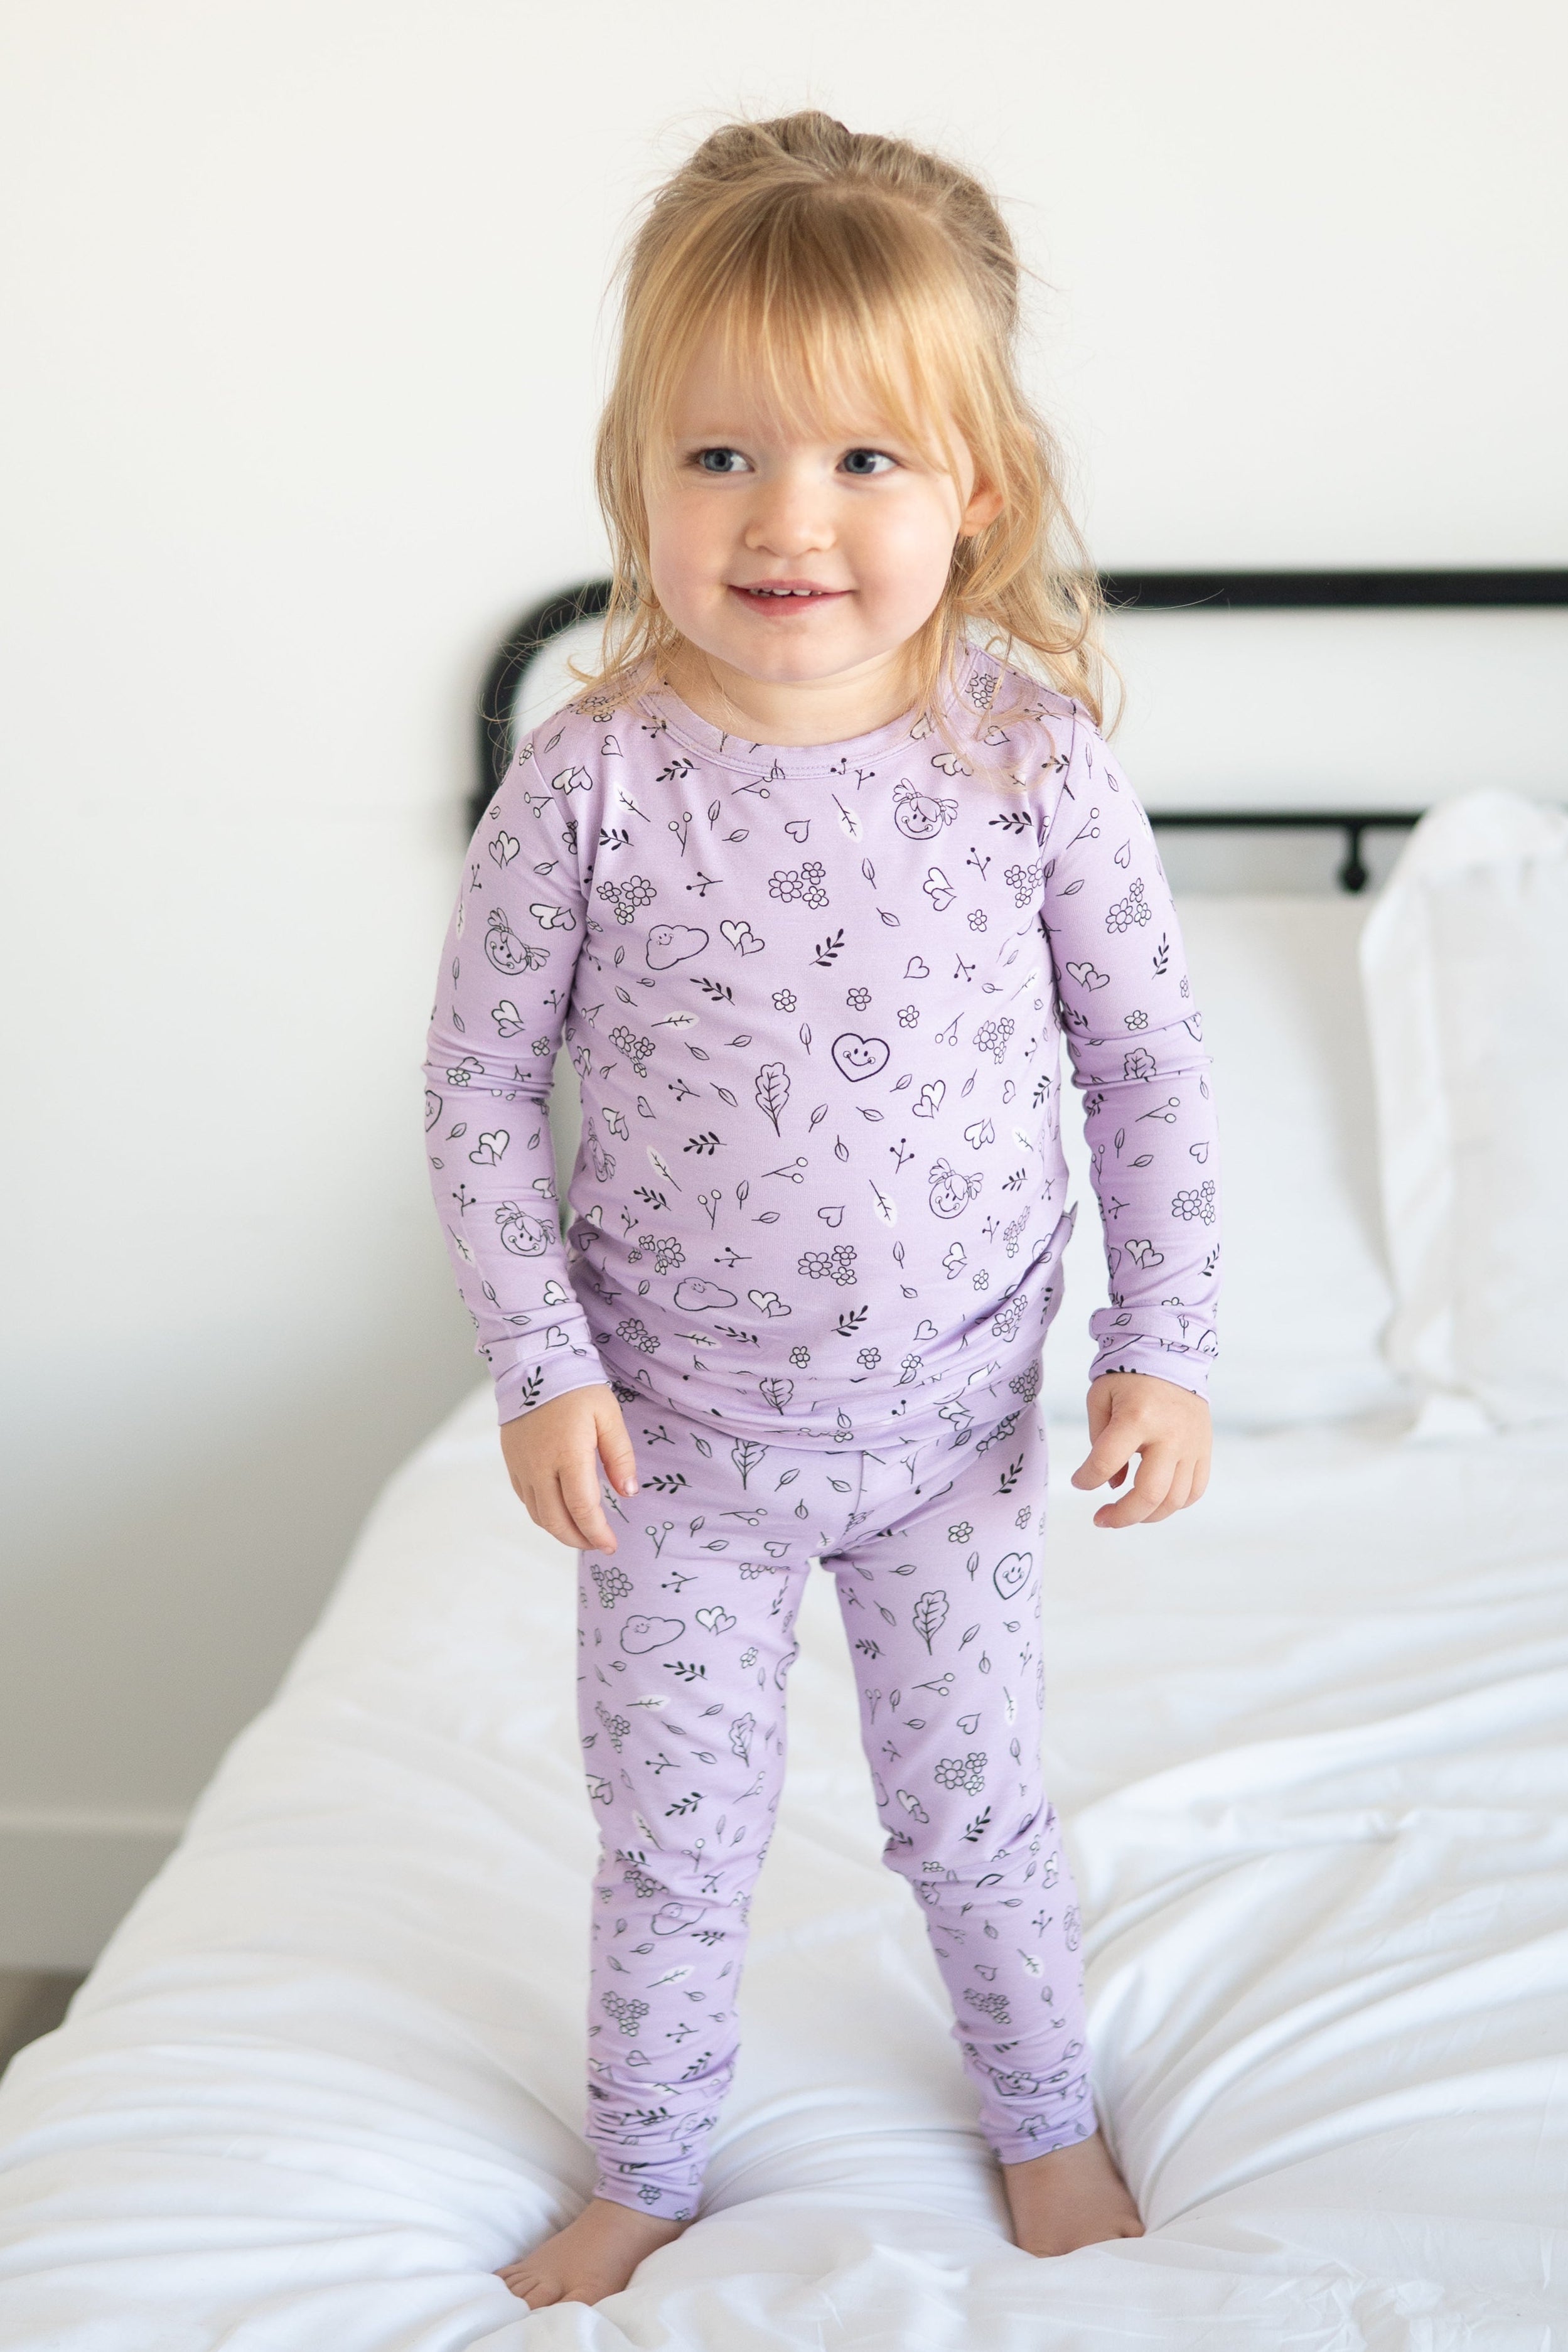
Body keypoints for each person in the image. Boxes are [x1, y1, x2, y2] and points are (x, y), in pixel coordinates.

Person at [422, 108, 1218, 2309]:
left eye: (867, 460)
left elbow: (1142, 1059)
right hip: (668, 1446)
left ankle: (1043, 2121)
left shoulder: (1029, 757)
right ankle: (653, 2159)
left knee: (970, 1809)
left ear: (976, 488)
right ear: (635, 478)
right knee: (673, 1842)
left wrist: (1166, 1337)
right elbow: (482, 1084)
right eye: (722, 459)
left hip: (950, 1436)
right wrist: (540, 1363)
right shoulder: (586, 779)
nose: (791, 520)